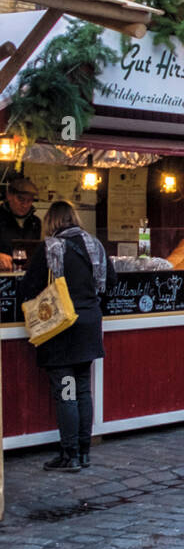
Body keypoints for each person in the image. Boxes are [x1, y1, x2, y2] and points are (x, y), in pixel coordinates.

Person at [17, 200, 114, 472]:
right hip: (89, 325)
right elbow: (111, 282)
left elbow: (29, 286)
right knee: (81, 388)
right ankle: (84, 452)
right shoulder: (95, 245)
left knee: (67, 391)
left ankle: (69, 454)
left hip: (63, 330)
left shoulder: (50, 248)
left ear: (51, 221)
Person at [0, 175, 42, 271]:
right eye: (21, 199)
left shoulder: (35, 222)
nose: (25, 205)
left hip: (25, 277)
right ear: (9, 196)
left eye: (29, 201)